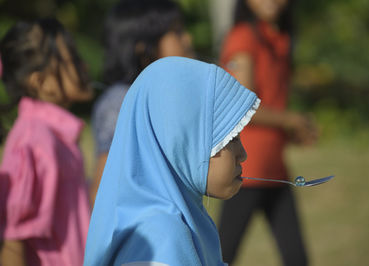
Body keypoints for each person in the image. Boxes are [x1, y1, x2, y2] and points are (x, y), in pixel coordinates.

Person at [84, 56, 260, 266]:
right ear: (182, 141)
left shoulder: (187, 221)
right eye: (231, 138)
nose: (242, 154)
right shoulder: (160, 239)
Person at [217, 0, 318, 265]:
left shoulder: (278, 37)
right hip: (246, 169)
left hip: (275, 170)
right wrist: (291, 120)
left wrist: (291, 130)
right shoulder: (243, 37)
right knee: (220, 257)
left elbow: (271, 101)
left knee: (296, 257)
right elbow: (242, 103)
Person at [0, 18, 92, 266]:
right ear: (40, 82)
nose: (84, 66)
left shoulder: (57, 136)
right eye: (71, 59)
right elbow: (13, 241)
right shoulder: (34, 141)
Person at [90, 0, 193, 205]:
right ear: (143, 48)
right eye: (177, 32)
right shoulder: (121, 102)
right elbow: (104, 189)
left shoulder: (160, 96)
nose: (187, 39)